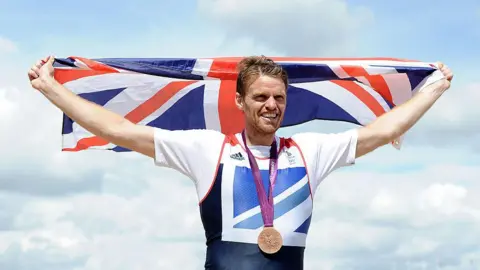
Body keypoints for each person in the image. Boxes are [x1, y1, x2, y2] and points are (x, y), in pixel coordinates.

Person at [28, 55, 453, 270]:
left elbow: (378, 132)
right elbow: (120, 129)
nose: (272, 105)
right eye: (261, 97)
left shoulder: (309, 152)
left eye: (279, 97)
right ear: (240, 102)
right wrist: (51, 90)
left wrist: (433, 90)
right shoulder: (206, 149)